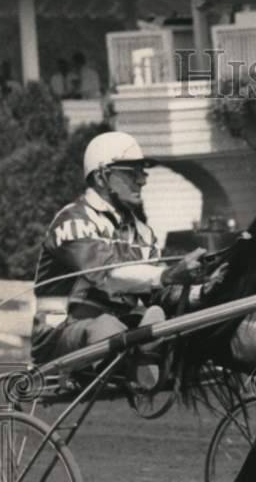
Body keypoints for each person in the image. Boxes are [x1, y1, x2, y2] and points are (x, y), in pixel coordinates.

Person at [31, 131, 216, 388]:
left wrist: (203, 288)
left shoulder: (143, 233)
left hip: (121, 330)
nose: (142, 180)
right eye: (131, 172)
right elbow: (106, 274)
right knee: (108, 327)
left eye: (143, 172)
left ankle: (142, 356)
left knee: (157, 319)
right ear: (101, 176)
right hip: (58, 339)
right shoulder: (72, 220)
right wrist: (167, 275)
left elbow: (158, 294)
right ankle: (143, 361)